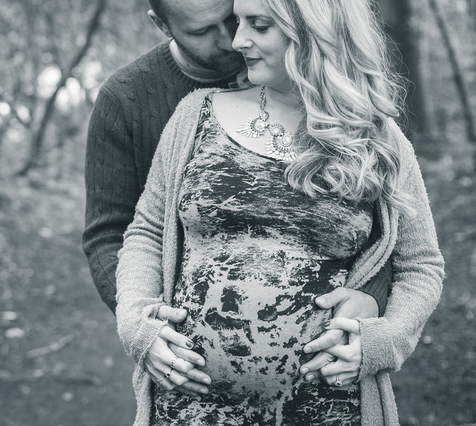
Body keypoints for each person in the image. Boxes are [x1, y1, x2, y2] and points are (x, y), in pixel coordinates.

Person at [115, 0, 444, 424]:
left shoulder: (377, 139)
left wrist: (385, 341)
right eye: (239, 22)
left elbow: (421, 265)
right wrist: (138, 327)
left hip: (326, 409)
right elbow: (146, 232)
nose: (238, 41)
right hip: (188, 408)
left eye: (260, 25)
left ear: (312, 30)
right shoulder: (194, 116)